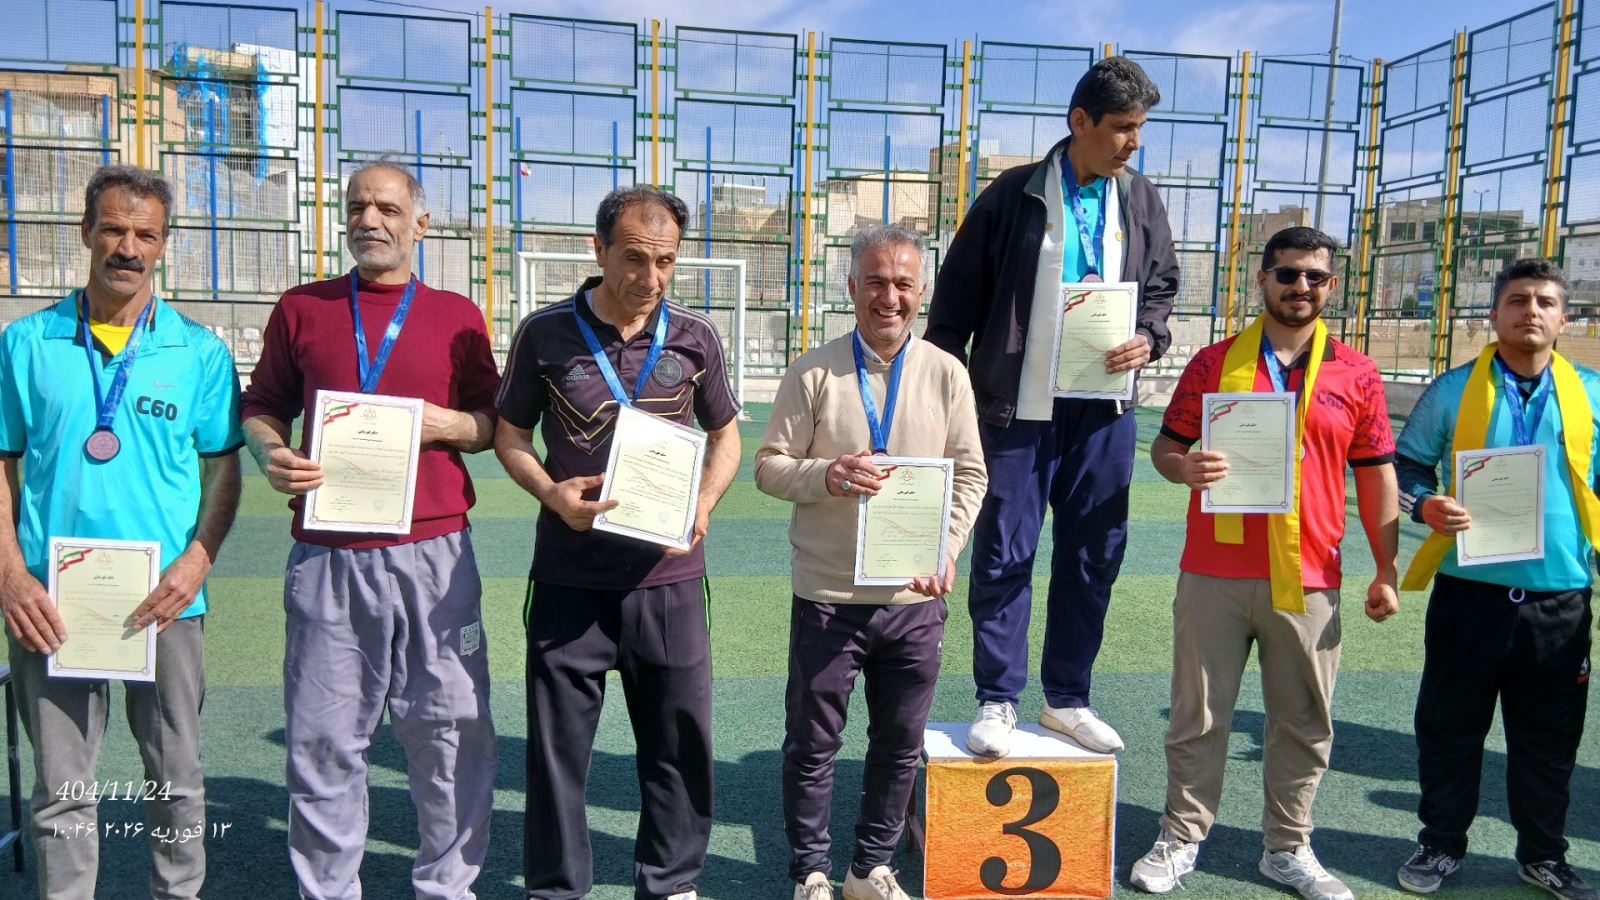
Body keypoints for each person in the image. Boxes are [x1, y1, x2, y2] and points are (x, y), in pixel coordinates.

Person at [240, 161, 502, 900]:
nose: (369, 220)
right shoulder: (303, 307)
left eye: (387, 208)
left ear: (421, 223)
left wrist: (440, 424)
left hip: (434, 554)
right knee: (324, 739)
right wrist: (271, 453)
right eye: (357, 207)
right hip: (328, 553)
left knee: (450, 733)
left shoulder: (458, 315)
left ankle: (447, 888)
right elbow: (261, 406)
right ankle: (328, 891)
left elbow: (492, 424)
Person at [925, 55, 1180, 756]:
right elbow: (955, 302)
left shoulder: (1141, 198)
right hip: (1018, 409)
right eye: (1122, 127)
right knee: (1004, 551)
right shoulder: (1014, 195)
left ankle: (1067, 698)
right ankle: (998, 698)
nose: (1133, 142)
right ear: (1080, 121)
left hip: (1104, 410)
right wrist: (951, 398)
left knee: (1094, 551)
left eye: (1140, 128)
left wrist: (1149, 337)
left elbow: (1162, 286)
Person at [0, 164, 243, 899]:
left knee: (176, 777)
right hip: (50, 599)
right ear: (86, 233)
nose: (127, 248)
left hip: (166, 599)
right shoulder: (26, 343)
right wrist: (10, 575)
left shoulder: (199, 352)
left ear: (164, 245)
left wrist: (197, 562)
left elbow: (223, 471)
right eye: (113, 229)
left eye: (145, 234)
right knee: (63, 788)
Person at [1135, 226, 1399, 900]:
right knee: (1197, 716)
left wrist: (1387, 568)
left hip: (1310, 576)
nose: (1300, 287)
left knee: (1304, 722)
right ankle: (1180, 836)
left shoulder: (1358, 373)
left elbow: (1376, 474)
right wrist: (1184, 468)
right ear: (1263, 279)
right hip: (1214, 572)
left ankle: (1287, 847)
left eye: (1315, 276)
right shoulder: (1212, 363)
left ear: (1331, 286)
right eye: (1287, 274)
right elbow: (1166, 448)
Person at [494, 186, 742, 900]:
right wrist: (551, 494)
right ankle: (556, 889)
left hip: (668, 578)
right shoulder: (544, 333)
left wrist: (703, 504)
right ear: (598, 249)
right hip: (570, 577)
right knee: (557, 753)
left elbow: (725, 436)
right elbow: (510, 435)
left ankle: (671, 883)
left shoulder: (695, 336)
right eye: (634, 258)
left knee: (677, 745)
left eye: (665, 261)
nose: (651, 277)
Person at [756, 225, 988, 900]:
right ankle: (811, 872)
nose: (890, 297)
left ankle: (869, 869)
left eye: (903, 283)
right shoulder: (814, 371)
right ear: (853, 287)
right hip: (829, 596)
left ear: (923, 291)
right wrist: (826, 475)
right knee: (812, 745)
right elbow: (769, 467)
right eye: (877, 282)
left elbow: (970, 473)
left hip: (915, 598)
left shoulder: (947, 373)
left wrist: (946, 548)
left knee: (899, 743)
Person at [1391, 259, 1599, 900]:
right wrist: (1425, 505)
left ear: (1564, 318)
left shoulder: (1592, 392)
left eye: (1544, 301)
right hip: (1470, 593)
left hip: (1560, 597)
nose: (1530, 311)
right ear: (1493, 314)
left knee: (1550, 738)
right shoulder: (1453, 390)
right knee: (1449, 728)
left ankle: (1544, 855)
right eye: (1517, 300)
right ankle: (1440, 844)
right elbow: (1404, 467)